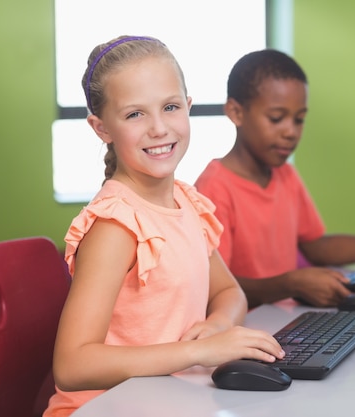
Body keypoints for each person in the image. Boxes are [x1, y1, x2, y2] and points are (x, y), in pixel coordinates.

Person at [43, 36, 285, 417]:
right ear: (101, 127)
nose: (158, 128)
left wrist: (218, 325)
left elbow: (229, 292)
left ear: (188, 107)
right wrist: (198, 352)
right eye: (134, 114)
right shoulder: (115, 225)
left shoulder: (186, 203)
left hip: (166, 399)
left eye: (170, 107)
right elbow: (73, 366)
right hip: (103, 408)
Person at [194, 49, 355, 310]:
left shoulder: (285, 174)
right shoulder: (214, 189)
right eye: (276, 118)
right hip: (247, 329)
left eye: (299, 119)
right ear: (236, 112)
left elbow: (317, 247)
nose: (291, 132)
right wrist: (289, 284)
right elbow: (217, 287)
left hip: (287, 317)